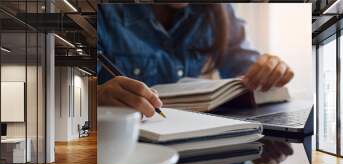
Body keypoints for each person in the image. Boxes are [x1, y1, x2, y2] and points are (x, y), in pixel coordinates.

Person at [97, 3, 294, 117]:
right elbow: (79, 81)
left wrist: (269, 69)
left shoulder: (217, 10)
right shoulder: (101, 11)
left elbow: (245, 67)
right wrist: (98, 95)